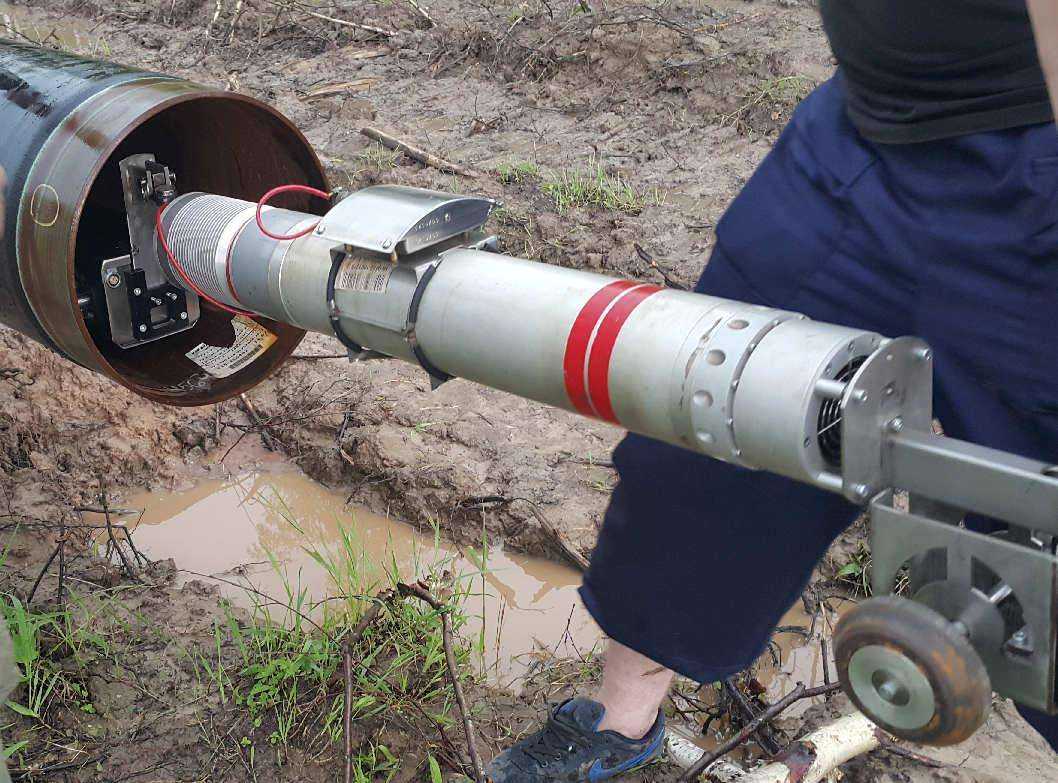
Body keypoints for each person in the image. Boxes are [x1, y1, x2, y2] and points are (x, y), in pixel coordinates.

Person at [486, 1, 1058, 780]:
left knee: (1046, 537)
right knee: (707, 425)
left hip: (1034, 175)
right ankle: (620, 723)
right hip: (862, 139)